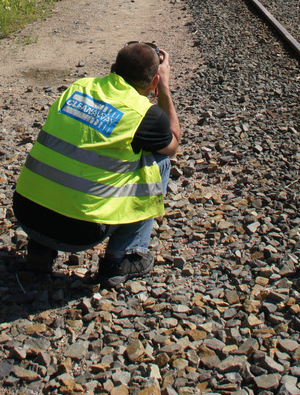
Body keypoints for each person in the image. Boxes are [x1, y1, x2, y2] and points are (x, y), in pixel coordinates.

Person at [13, 41, 180, 287]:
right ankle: (121, 259)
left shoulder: (78, 88)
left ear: (112, 68)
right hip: (81, 233)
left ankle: (40, 251)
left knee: (67, 160)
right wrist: (164, 87)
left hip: (26, 214)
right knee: (160, 162)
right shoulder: (145, 114)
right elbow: (174, 143)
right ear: (154, 81)